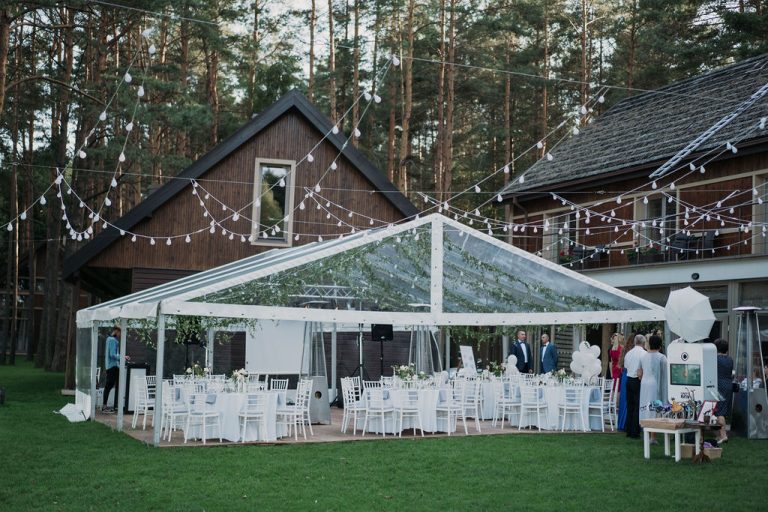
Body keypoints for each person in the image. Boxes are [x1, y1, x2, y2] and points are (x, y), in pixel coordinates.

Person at [638, 335, 668, 444]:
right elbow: (665, 374)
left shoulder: (643, 356)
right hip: (655, 384)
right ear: (660, 345)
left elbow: (639, 373)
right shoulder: (662, 357)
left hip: (644, 383)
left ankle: (647, 433)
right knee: (654, 408)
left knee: (646, 407)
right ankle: (653, 436)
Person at [623, 334, 647, 438]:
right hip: (638, 380)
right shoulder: (644, 353)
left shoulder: (629, 353)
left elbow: (626, 366)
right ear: (643, 342)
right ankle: (635, 431)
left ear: (634, 342)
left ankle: (629, 430)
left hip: (629, 379)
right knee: (637, 405)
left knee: (630, 405)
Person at [102, 326, 128, 413]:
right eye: (120, 332)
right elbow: (112, 355)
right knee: (109, 386)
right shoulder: (112, 340)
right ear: (116, 331)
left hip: (111, 366)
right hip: (112, 366)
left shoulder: (109, 339)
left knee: (110, 386)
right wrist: (123, 357)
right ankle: (105, 407)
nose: (120, 334)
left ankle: (112, 406)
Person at [714, 338, 734, 445]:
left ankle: (723, 435)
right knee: (722, 410)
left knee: (719, 412)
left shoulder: (715, 359)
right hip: (728, 385)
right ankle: (718, 435)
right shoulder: (730, 360)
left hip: (719, 386)